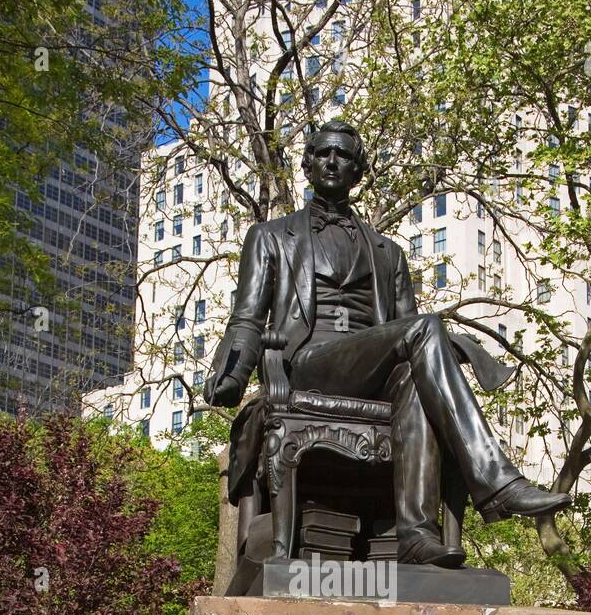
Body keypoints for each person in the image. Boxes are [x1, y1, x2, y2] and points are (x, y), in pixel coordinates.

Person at [205, 119, 571, 566]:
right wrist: (231, 375)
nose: (333, 161)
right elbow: (246, 319)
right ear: (308, 164)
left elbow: (410, 339)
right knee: (426, 326)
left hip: (370, 372)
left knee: (419, 381)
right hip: (308, 364)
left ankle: (417, 536)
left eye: (343, 155)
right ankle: (496, 481)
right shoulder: (270, 237)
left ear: (358, 172)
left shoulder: (388, 252)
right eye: (323, 153)